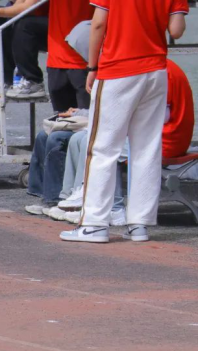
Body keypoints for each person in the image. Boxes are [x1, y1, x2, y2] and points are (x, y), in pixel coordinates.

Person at [61, 0, 189, 244]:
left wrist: (92, 66)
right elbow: (176, 31)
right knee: (147, 149)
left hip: (117, 69)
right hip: (155, 70)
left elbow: (98, 24)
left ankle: (94, 223)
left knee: (102, 148)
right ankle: (139, 224)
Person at [0, 0, 49, 99]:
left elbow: (26, 7)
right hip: (30, 19)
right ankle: (7, 79)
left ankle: (34, 81)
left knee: (24, 23)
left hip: (56, 27)